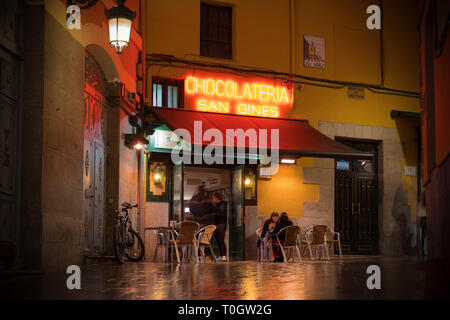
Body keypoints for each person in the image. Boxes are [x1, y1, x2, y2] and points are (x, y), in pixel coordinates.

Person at [211, 192, 228, 262]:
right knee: (217, 241)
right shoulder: (215, 205)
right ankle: (221, 256)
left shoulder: (223, 204)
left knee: (221, 240)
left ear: (216, 198)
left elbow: (221, 213)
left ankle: (224, 256)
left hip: (221, 224)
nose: (212, 199)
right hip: (216, 224)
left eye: (213, 198)